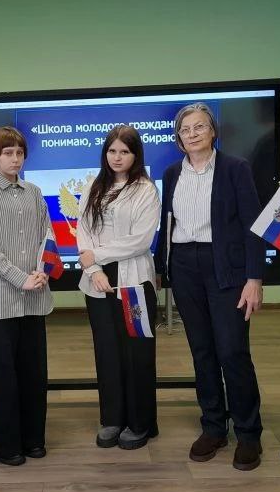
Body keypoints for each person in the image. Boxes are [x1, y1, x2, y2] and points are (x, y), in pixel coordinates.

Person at [154, 103, 265, 470]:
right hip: (185, 266)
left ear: (213, 131)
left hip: (226, 268)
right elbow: (168, 224)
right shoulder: (172, 173)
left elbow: (253, 224)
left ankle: (248, 433)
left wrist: (254, 278)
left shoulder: (236, 168)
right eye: (185, 130)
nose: (192, 134)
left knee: (232, 351)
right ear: (178, 138)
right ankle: (214, 426)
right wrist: (161, 268)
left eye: (199, 127)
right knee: (202, 351)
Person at [0, 126, 53, 466]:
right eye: (8, 153)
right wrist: (21, 278)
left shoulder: (34, 192)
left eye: (19, 153)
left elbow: (47, 235)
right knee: (3, 377)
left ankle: (33, 438)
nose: (15, 159)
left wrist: (42, 270)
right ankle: (5, 444)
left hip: (35, 297)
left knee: (34, 374)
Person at [77, 125, 161, 450]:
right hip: (98, 282)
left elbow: (140, 240)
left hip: (133, 281)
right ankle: (112, 418)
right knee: (107, 351)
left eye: (124, 151)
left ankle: (140, 423)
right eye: (112, 151)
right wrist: (94, 269)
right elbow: (83, 231)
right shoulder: (93, 185)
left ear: (135, 155)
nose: (117, 157)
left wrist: (95, 256)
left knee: (136, 352)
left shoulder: (146, 190)